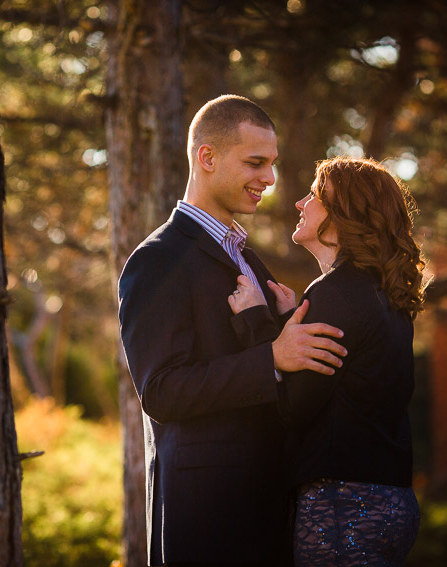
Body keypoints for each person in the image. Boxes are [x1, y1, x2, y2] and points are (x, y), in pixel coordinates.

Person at [118, 95, 348, 567]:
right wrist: (273, 359)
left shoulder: (249, 258)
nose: (269, 178)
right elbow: (161, 391)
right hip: (207, 523)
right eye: (255, 162)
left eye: (272, 164)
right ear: (207, 157)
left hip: (269, 510)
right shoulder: (156, 260)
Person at [228, 156, 425, 566]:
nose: (300, 203)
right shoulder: (387, 295)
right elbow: (343, 385)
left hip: (342, 506)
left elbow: (294, 405)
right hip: (393, 502)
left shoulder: (334, 292)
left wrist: (253, 323)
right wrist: (289, 319)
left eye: (315, 195)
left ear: (343, 214)